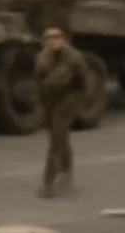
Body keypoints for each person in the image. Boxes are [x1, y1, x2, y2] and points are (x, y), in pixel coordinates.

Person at [33, 23, 89, 198]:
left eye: (57, 37)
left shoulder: (74, 58)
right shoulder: (42, 57)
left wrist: (77, 103)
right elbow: (39, 83)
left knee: (55, 141)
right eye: (49, 38)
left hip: (68, 101)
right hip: (50, 102)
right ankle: (67, 164)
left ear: (63, 39)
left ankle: (48, 181)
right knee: (59, 135)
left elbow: (74, 81)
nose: (53, 41)